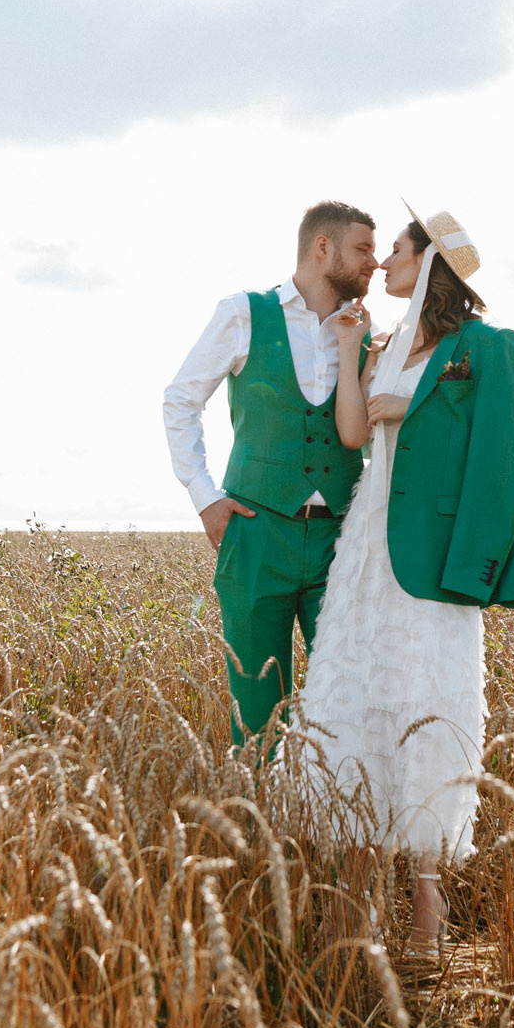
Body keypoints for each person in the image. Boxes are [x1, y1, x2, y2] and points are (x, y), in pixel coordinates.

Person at [294, 207, 514, 951]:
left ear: (429, 263)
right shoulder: (382, 343)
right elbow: (351, 433)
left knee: (428, 712)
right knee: (353, 704)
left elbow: (507, 449)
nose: (381, 263)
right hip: (364, 553)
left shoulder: (488, 347)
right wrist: (346, 353)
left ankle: (427, 921)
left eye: (394, 251)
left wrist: (474, 566)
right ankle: (352, 915)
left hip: (433, 563)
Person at [163, 201, 379, 749]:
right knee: (258, 712)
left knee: (348, 703)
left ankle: (333, 830)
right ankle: (261, 830)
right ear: (322, 248)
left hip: (341, 539)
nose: (374, 263)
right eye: (363, 249)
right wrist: (205, 497)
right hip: (256, 534)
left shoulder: (367, 336)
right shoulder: (243, 312)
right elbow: (181, 399)